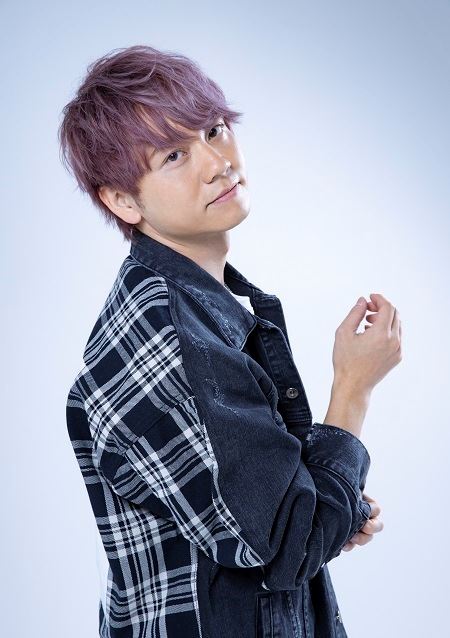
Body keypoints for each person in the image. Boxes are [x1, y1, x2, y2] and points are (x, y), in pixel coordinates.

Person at [61, 44, 401, 638]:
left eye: (215, 130)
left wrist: (335, 504)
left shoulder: (196, 307)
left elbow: (259, 516)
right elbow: (286, 546)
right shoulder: (173, 335)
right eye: (174, 155)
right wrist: (353, 388)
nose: (218, 162)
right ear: (121, 200)